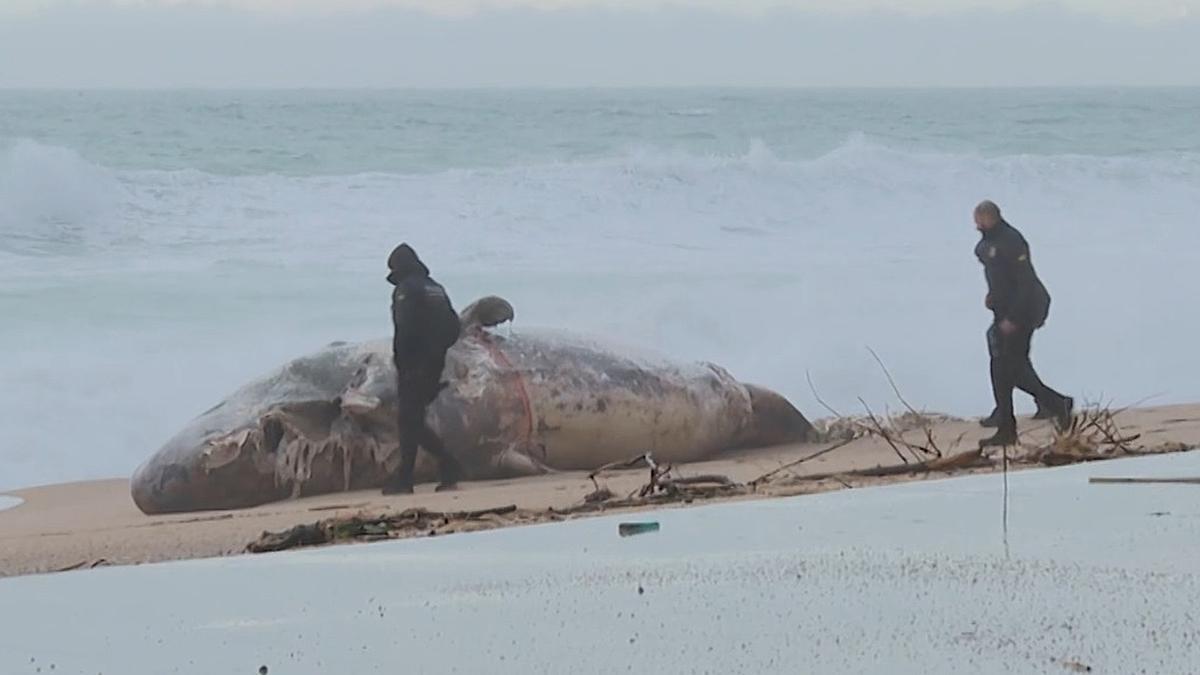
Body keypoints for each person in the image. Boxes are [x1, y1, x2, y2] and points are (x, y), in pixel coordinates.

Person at [972, 200, 1073, 447]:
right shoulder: (985, 245)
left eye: (980, 218)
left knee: (1009, 369)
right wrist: (993, 296)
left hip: (1024, 310)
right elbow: (999, 277)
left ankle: (1056, 404)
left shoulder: (1011, 240)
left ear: (991, 217)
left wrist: (1014, 318)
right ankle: (1010, 420)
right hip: (1003, 311)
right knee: (1006, 366)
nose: (976, 224)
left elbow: (1025, 283)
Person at [381, 243, 464, 494]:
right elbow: (454, 327)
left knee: (408, 419)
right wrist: (437, 351)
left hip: (414, 364)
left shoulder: (406, 290)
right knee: (412, 419)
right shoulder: (436, 288)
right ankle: (447, 465)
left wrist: (403, 362)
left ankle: (407, 479)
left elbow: (404, 329)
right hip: (435, 363)